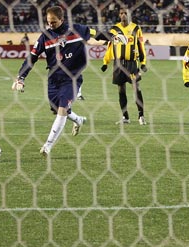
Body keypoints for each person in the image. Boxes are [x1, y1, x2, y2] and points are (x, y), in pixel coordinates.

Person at [11, 6, 92, 157]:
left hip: (72, 79)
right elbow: (32, 58)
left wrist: (112, 37)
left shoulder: (77, 30)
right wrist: (21, 77)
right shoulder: (45, 37)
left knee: (61, 110)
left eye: (53, 22)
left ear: (62, 19)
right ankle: (78, 120)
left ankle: (47, 146)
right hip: (54, 80)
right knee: (58, 109)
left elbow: (96, 33)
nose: (50, 25)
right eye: (48, 22)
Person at [100, 7, 148, 125]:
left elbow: (141, 45)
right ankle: (125, 117)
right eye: (121, 13)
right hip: (118, 64)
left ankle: (141, 116)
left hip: (132, 64)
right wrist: (105, 62)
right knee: (121, 90)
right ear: (119, 15)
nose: (123, 15)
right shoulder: (114, 29)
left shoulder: (136, 28)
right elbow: (110, 46)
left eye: (126, 13)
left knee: (136, 88)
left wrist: (143, 62)